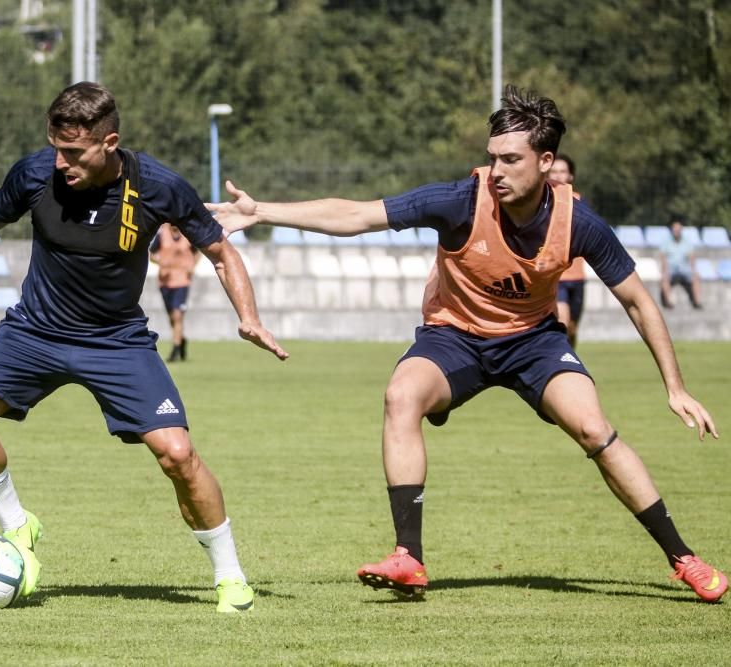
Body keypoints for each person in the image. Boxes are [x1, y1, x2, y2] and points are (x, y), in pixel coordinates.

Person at [208, 85, 726, 602]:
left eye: (511, 159)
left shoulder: (579, 222)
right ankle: (408, 558)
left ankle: (684, 559)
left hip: (533, 341)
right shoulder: (460, 201)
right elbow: (358, 216)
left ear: (546, 162)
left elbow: (638, 301)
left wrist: (675, 387)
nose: (497, 171)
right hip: (452, 337)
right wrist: (262, 213)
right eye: (492, 158)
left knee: (595, 428)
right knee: (400, 397)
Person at [0, 81, 288, 613]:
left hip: (115, 341)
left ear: (109, 142)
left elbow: (220, 251)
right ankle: (18, 525)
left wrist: (249, 318)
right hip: (35, 330)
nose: (60, 161)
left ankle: (230, 577)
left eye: (73, 152)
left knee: (179, 454)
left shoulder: (159, 186)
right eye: (55, 146)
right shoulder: (35, 173)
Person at [149, 222, 200, 362]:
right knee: (172, 317)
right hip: (165, 281)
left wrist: (192, 267)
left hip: (182, 281)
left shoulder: (187, 233)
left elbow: (197, 253)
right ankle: (181, 340)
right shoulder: (162, 233)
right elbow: (152, 254)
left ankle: (175, 350)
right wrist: (160, 262)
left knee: (177, 315)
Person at [549, 154, 584, 346]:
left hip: (578, 277)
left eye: (563, 171)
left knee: (572, 326)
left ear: (570, 176)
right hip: (556, 277)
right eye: (554, 171)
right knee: (562, 319)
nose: (558, 176)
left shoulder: (579, 203)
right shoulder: (539, 203)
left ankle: (570, 357)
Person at [659, 219, 703, 310]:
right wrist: (664, 271)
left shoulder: (687, 241)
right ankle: (668, 303)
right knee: (664, 278)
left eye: (678, 230)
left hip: (684, 269)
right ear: (672, 230)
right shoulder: (666, 242)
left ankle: (697, 302)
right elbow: (663, 258)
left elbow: (692, 257)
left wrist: (694, 271)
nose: (677, 232)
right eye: (675, 229)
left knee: (696, 277)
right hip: (671, 269)